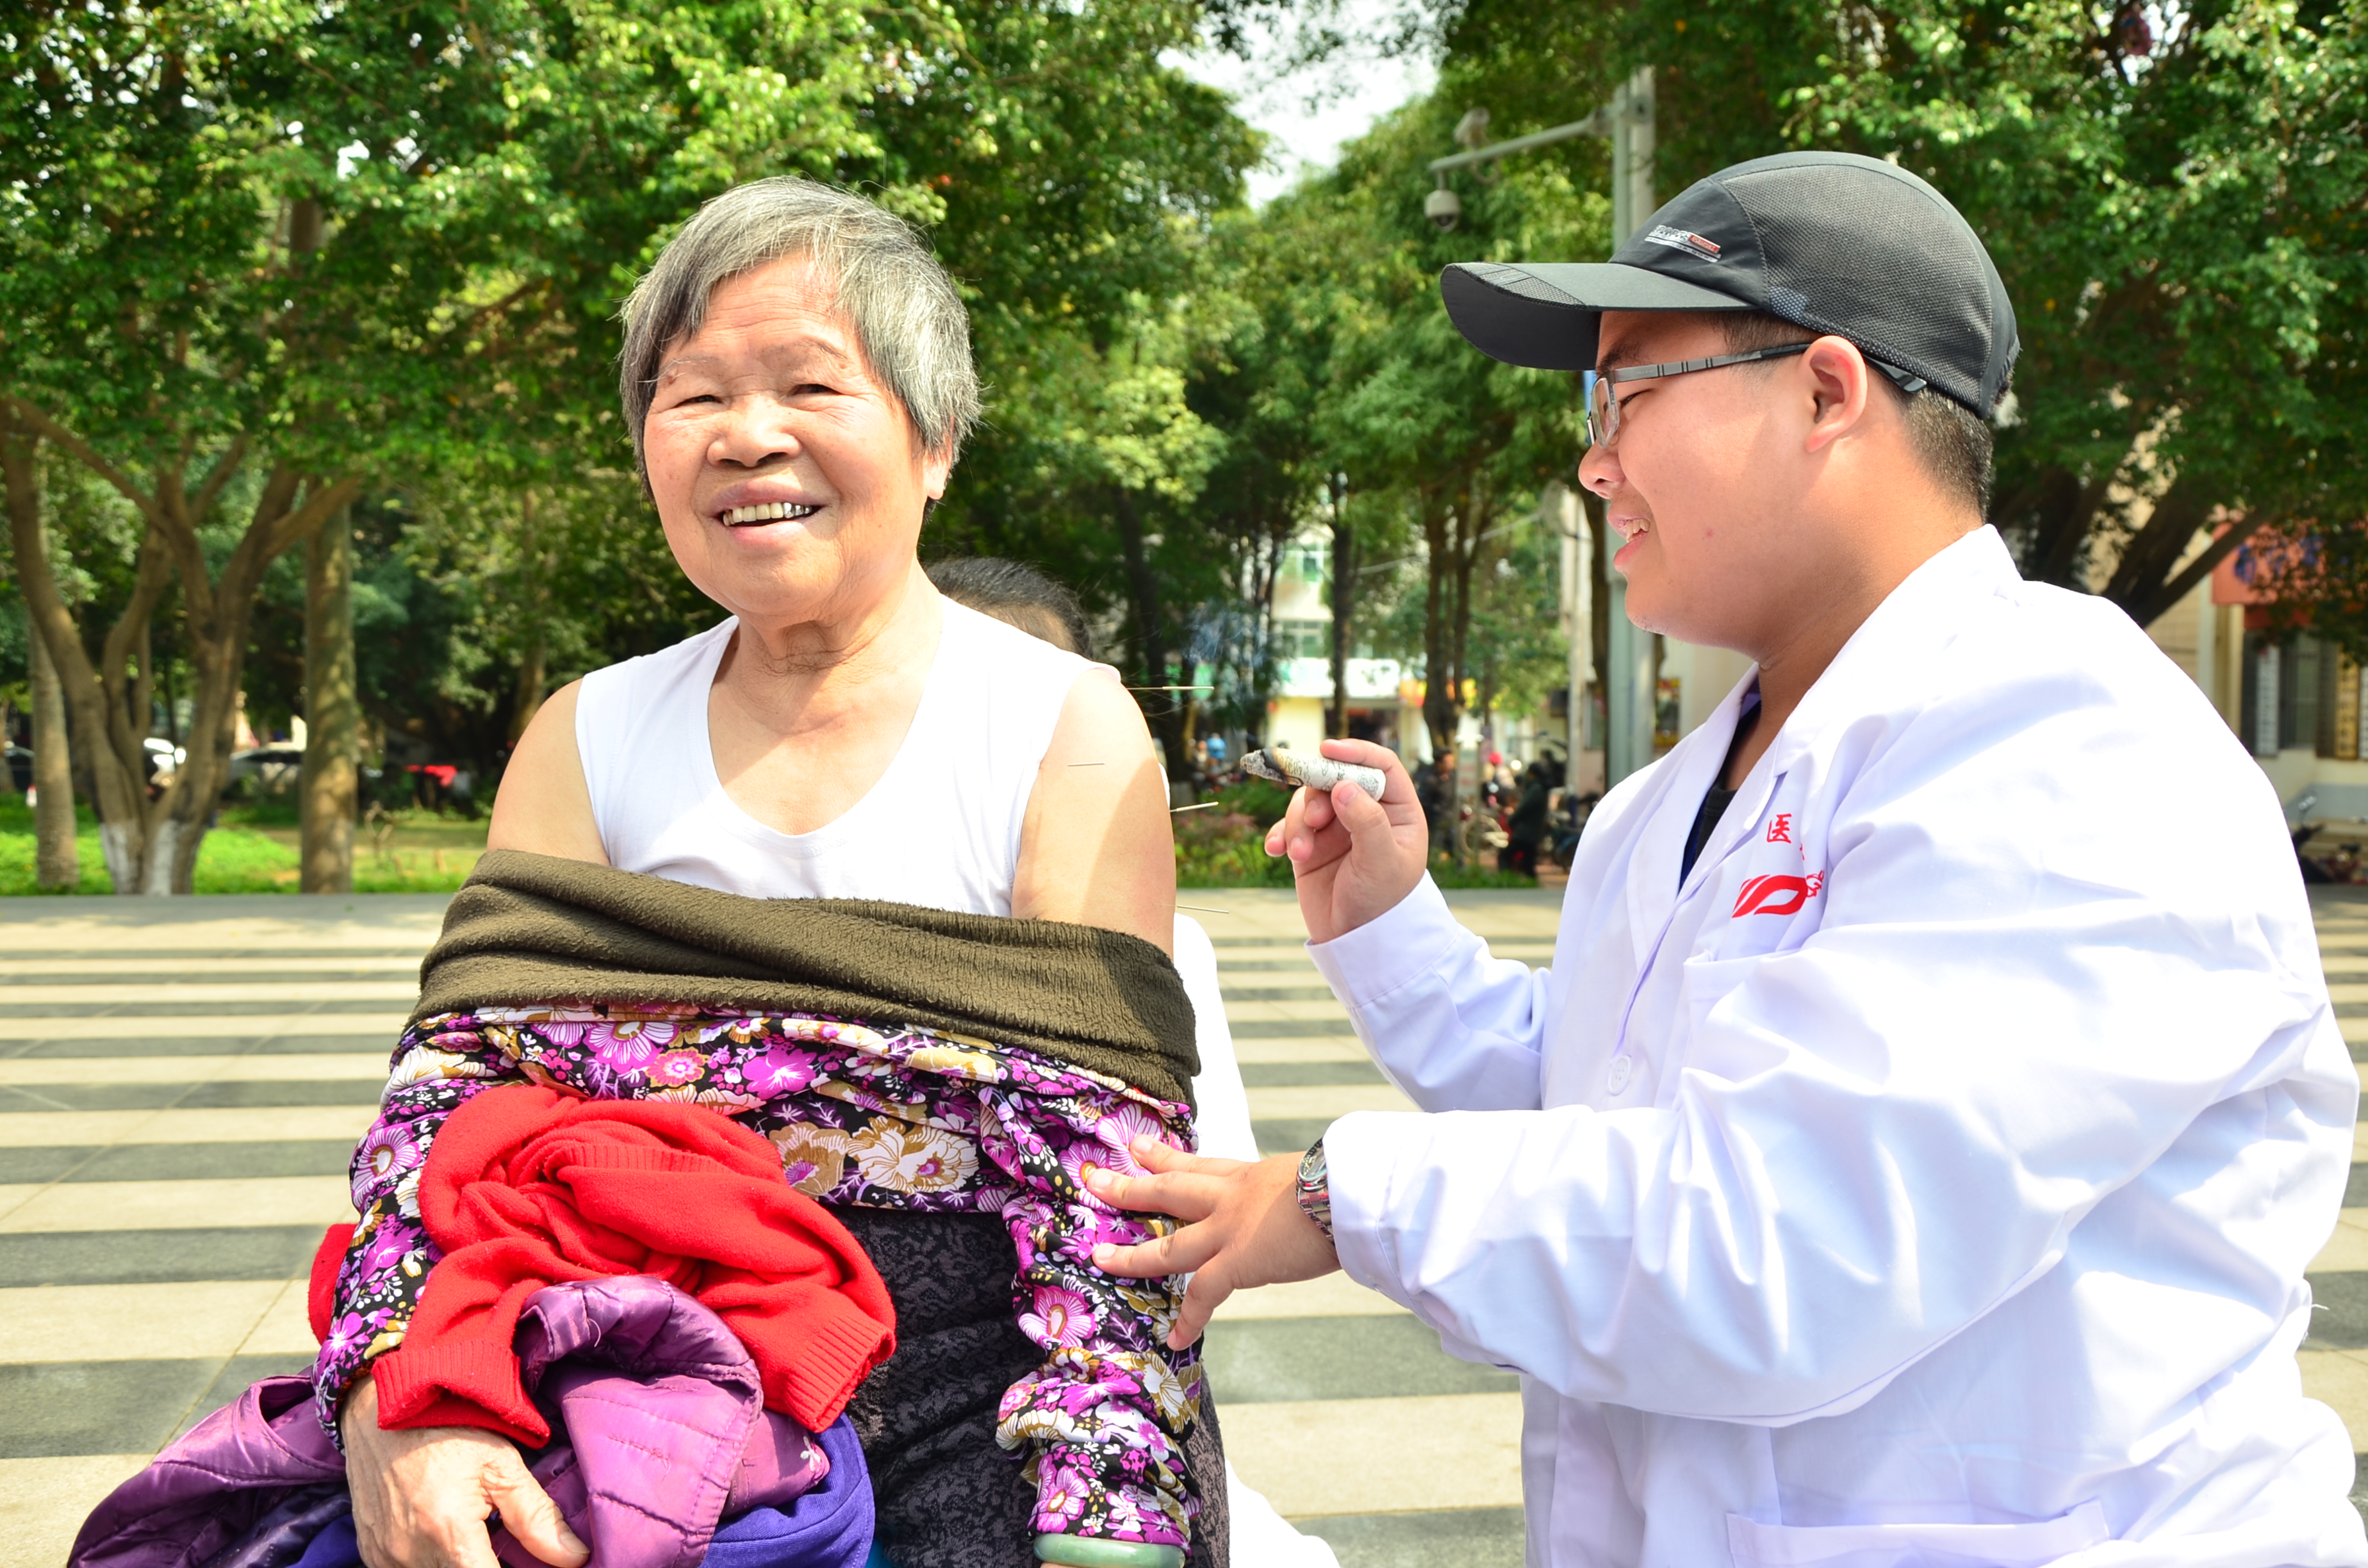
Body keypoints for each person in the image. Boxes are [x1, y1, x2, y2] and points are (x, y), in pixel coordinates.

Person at [1084, 151, 2365, 1565]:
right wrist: (1396, 934)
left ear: (1826, 392)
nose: (1595, 462)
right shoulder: (1672, 798)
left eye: (1627, 393)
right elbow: (1610, 1113)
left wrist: (1341, 1196)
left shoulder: (2062, 741)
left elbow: (1791, 1239)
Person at [337, 177, 1175, 1568]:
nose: (746, 435)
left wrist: (1106, 1510)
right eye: (692, 396)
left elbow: (1106, 1167)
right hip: (620, 1365)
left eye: (809, 383)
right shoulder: (585, 735)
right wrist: (397, 1384)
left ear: (935, 441)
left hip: (978, 1381)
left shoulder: (1063, 727)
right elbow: (453, 1116)